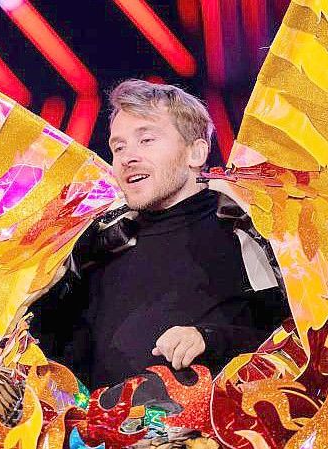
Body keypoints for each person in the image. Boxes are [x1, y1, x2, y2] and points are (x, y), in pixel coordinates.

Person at [30, 80, 289, 389]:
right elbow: (55, 356)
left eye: (146, 140)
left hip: (208, 432)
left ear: (195, 152)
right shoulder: (94, 246)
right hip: (95, 433)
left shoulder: (247, 230)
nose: (128, 157)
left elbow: (291, 336)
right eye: (119, 147)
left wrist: (208, 339)